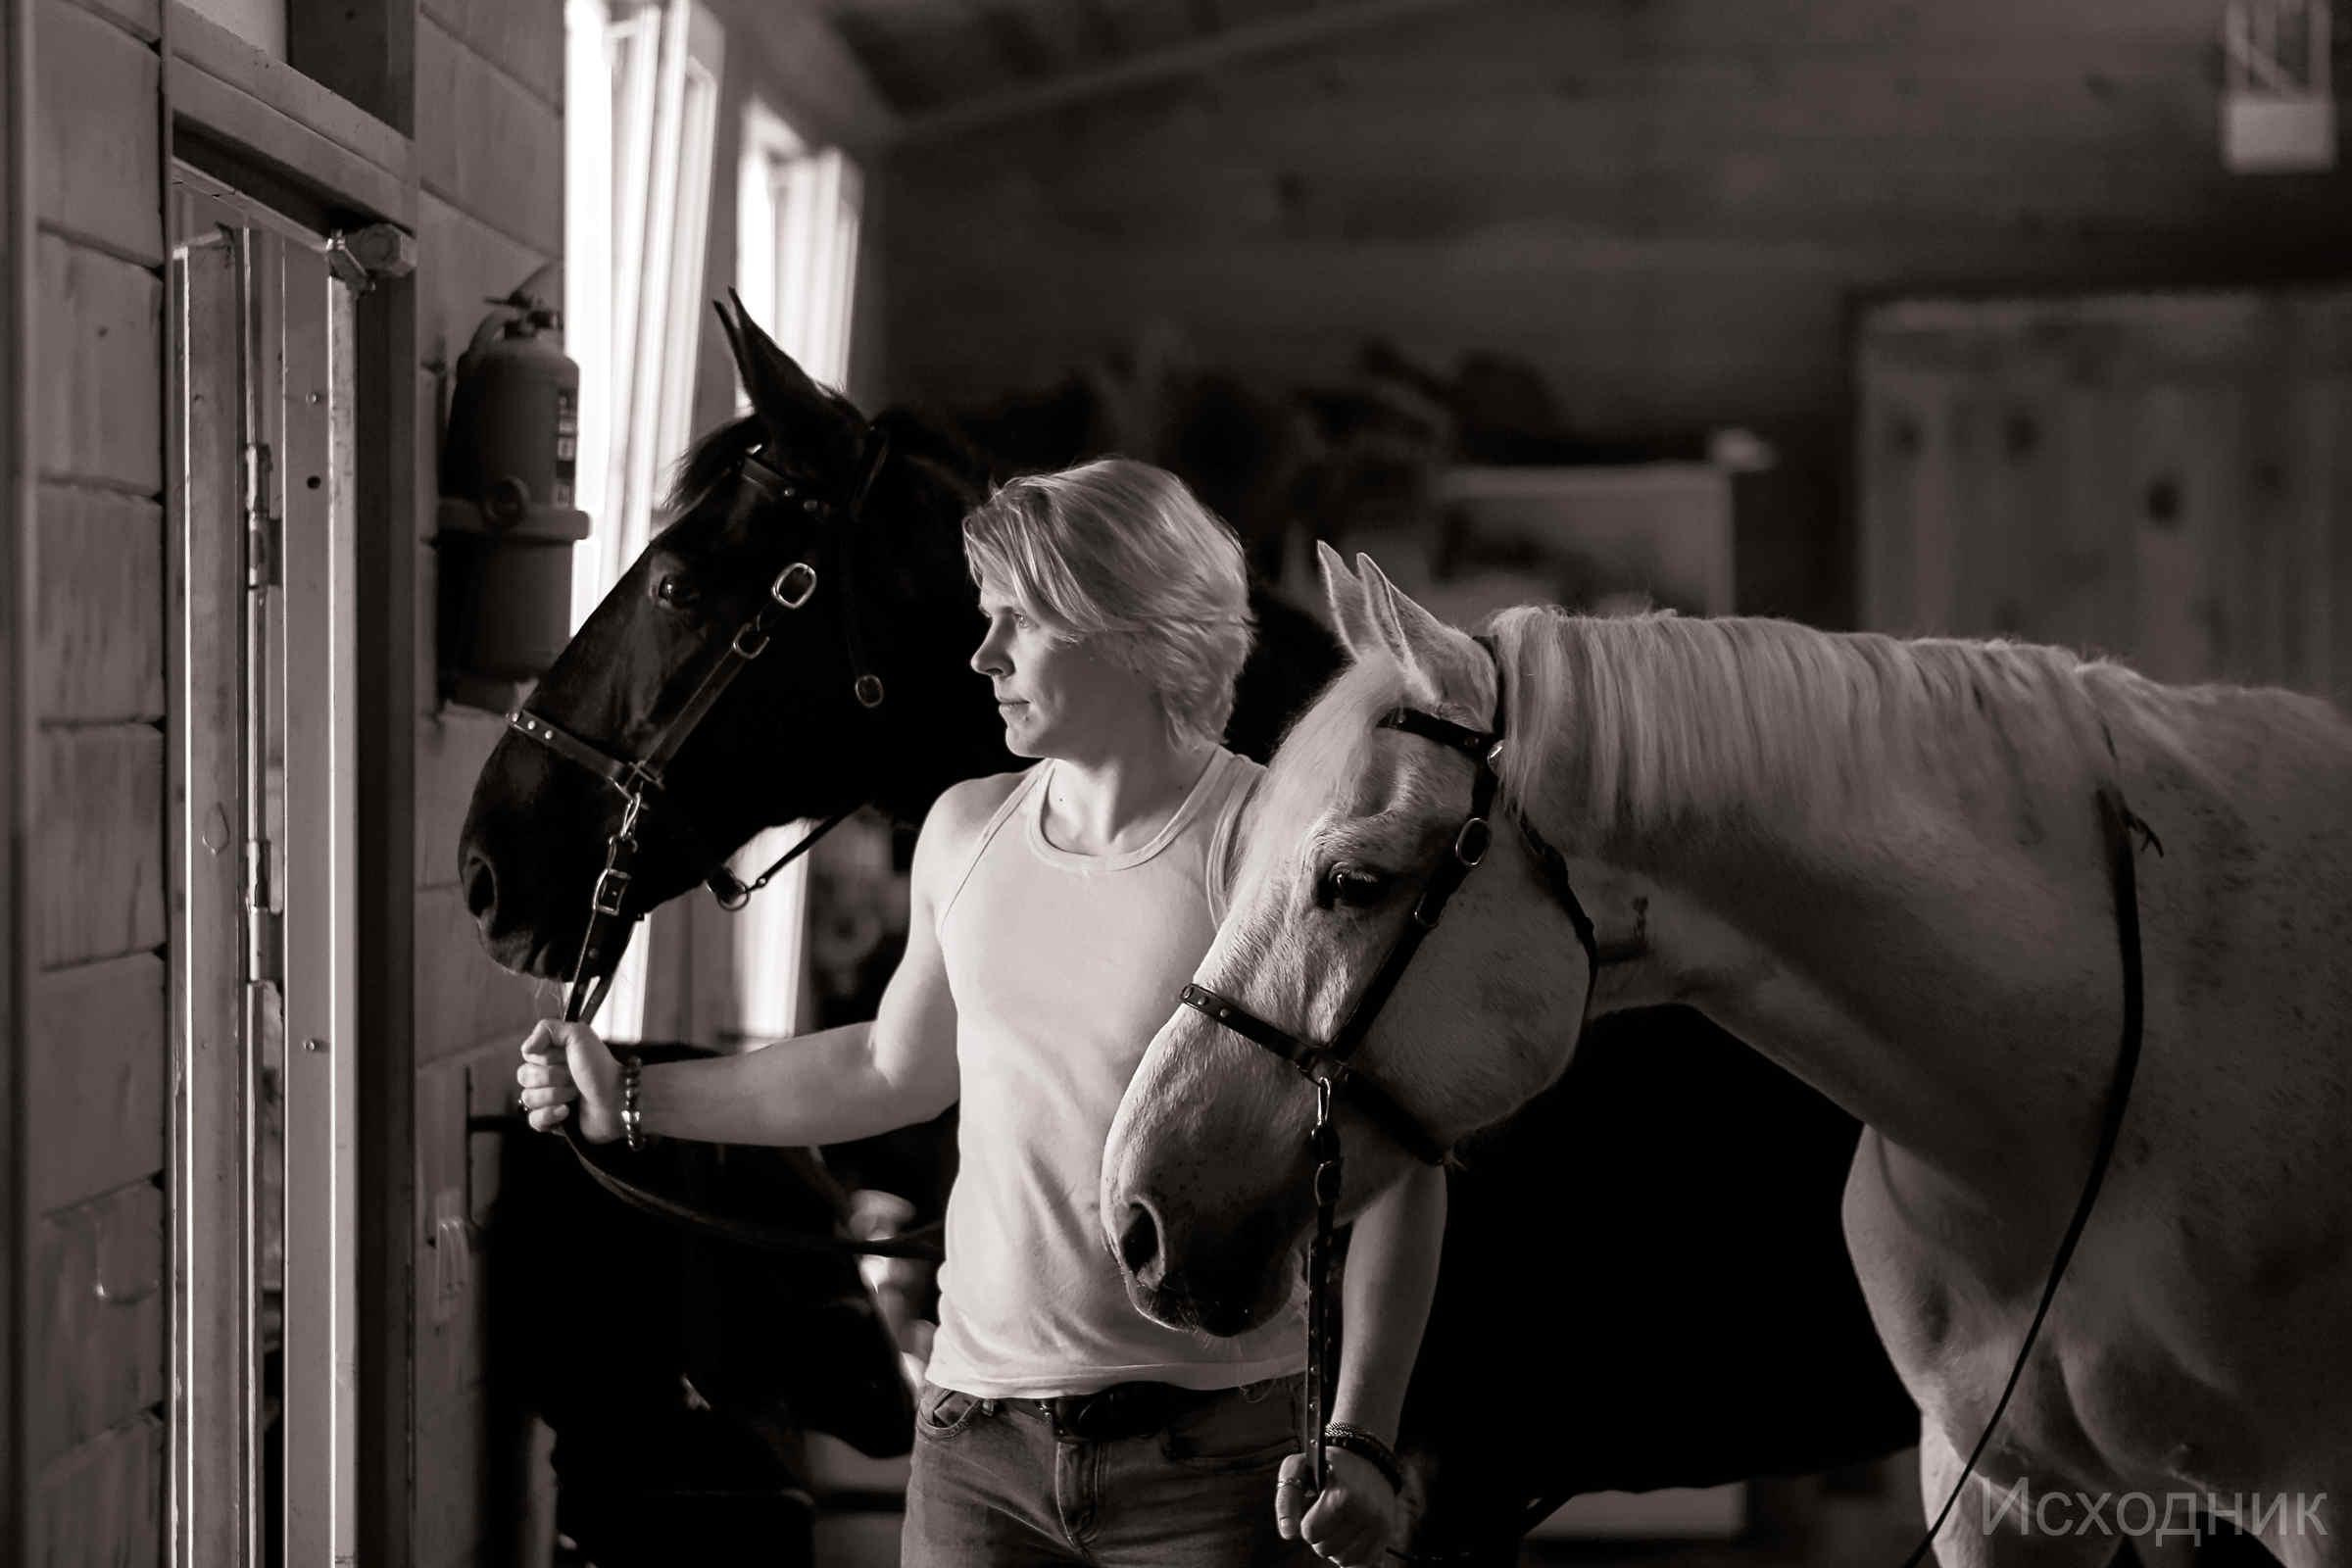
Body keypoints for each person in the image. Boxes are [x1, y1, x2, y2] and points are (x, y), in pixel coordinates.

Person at [516, 458, 1447, 1568]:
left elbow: (1400, 1156)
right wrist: (627, 1094)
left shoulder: (1273, 845)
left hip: (1214, 1457)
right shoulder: (966, 829)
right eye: (984, 618)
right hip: (976, 1449)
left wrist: (1362, 1441)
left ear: (1124, 626)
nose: (981, 655)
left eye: (1017, 621)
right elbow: (884, 1067)